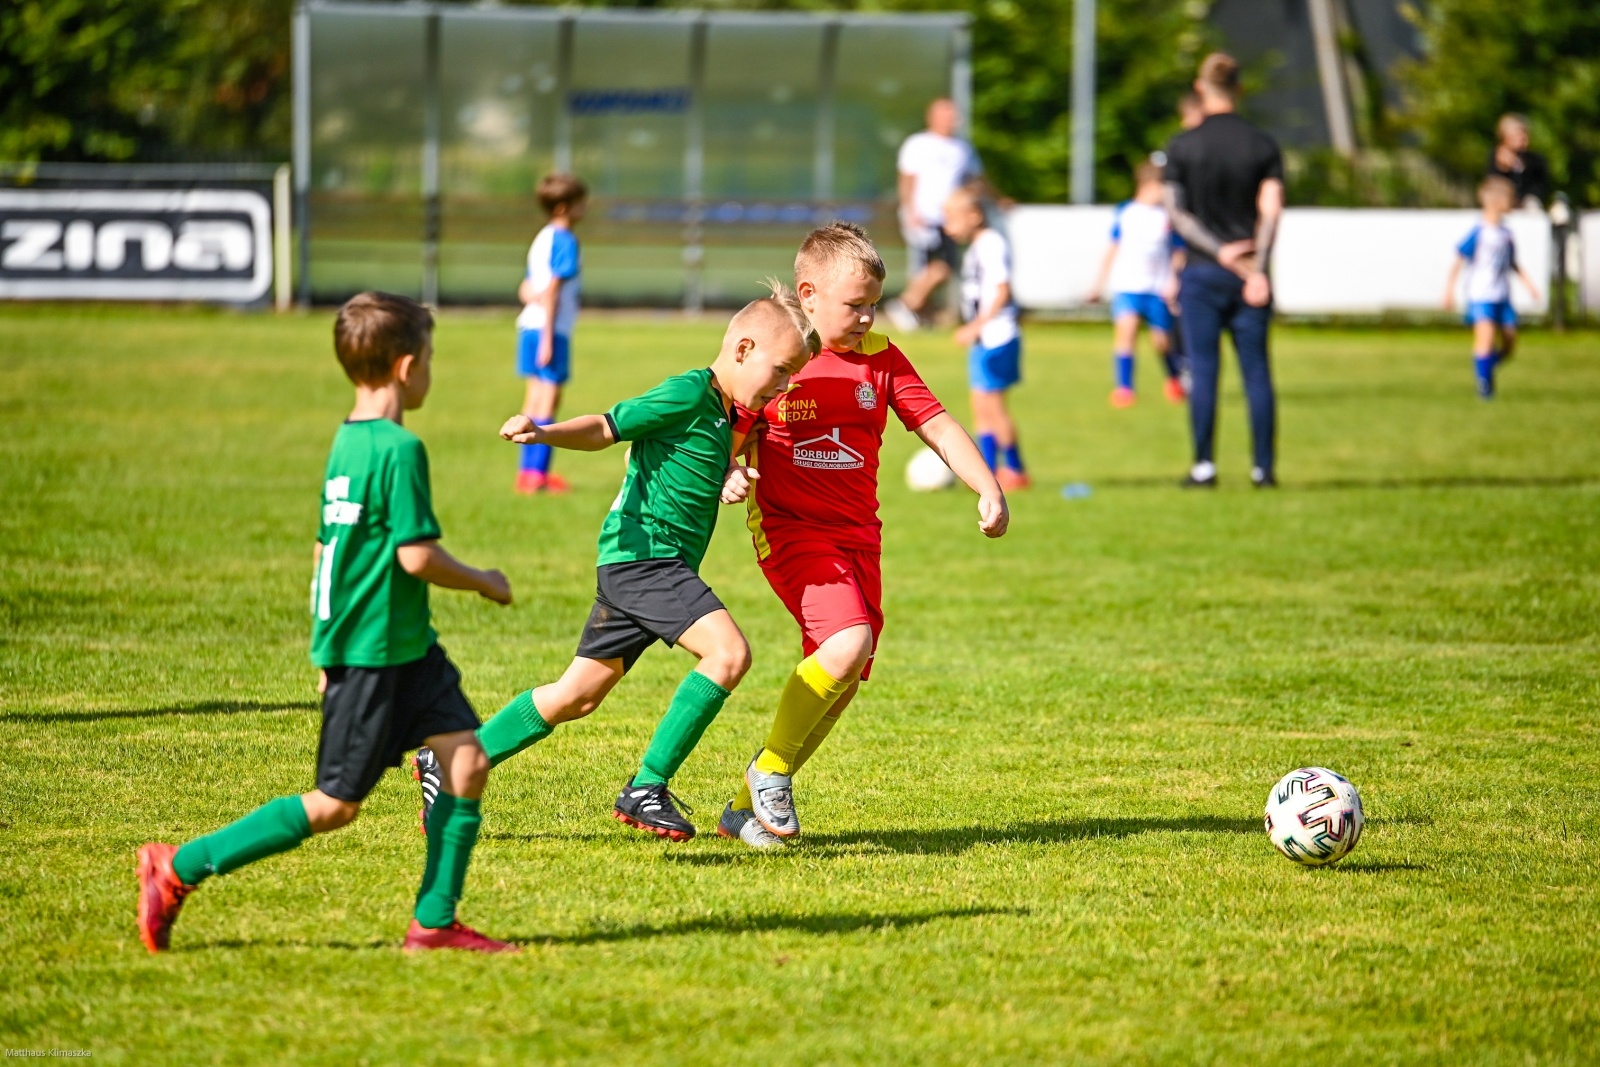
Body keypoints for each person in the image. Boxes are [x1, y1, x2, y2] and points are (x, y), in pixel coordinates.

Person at [137, 292, 518, 954]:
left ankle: (434, 922)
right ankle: (177, 867)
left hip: (407, 648)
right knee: (334, 806)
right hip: (372, 656)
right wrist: (485, 580)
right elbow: (415, 555)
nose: (431, 371)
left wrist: (320, 647)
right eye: (429, 359)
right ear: (406, 367)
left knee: (469, 760)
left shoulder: (346, 439)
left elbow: (325, 553)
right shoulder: (399, 449)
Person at [415, 282, 818, 843]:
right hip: (645, 559)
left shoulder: (732, 414)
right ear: (743, 349)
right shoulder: (687, 393)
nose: (785, 385)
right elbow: (608, 427)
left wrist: (729, 472)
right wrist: (544, 433)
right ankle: (646, 787)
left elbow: (707, 452)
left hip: (643, 565)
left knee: (576, 695)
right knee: (729, 654)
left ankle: (452, 760)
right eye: (781, 370)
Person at [716, 222, 1009, 849]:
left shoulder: (881, 357)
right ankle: (770, 772)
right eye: (855, 304)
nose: (867, 315)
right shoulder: (783, 354)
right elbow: (728, 429)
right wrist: (731, 471)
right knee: (846, 645)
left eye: (874, 302)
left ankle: (744, 809)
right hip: (791, 530)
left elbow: (938, 423)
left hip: (859, 538)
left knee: (840, 681)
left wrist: (988, 485)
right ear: (810, 294)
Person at [1162, 52, 1285, 489]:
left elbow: (1178, 216)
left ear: (1201, 87)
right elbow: (1271, 212)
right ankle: (1263, 468)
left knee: (1204, 369)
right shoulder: (1263, 145)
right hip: (1252, 275)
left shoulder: (1182, 146)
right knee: (1257, 372)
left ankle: (1204, 466)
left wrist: (1220, 251)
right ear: (1240, 87)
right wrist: (1257, 269)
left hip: (1202, 273)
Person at [943, 185, 1029, 488]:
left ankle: (1017, 470)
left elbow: (1002, 290)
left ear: (975, 215)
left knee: (994, 407)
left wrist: (976, 326)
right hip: (984, 340)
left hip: (997, 337)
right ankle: (988, 471)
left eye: (953, 218)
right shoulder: (978, 247)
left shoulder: (992, 243)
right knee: (980, 407)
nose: (948, 226)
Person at [1087, 160, 1187, 408]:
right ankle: (1125, 388)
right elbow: (1113, 247)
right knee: (1126, 333)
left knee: (1161, 341)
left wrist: (1174, 279)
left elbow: (1178, 251)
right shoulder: (1126, 212)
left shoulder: (1167, 216)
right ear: (1149, 185)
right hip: (1129, 285)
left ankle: (1174, 378)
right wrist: (1098, 284)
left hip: (1158, 286)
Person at [885, 98, 986, 332]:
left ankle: (917, 311)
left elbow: (976, 179)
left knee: (941, 268)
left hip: (951, 219)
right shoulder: (918, 144)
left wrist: (997, 199)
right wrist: (910, 211)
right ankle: (906, 305)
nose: (953, 120)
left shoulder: (962, 147)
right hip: (925, 217)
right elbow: (907, 180)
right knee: (935, 267)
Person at [515, 174, 587, 495]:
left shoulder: (541, 237)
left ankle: (526, 473)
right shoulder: (565, 239)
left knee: (533, 396)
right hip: (550, 330)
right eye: (580, 201)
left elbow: (527, 287)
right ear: (563, 207)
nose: (586, 206)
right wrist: (548, 337)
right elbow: (554, 290)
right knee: (549, 397)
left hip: (528, 325)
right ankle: (538, 475)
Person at [1443, 175, 1542, 400]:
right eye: (1510, 197)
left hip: (1502, 294)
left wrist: (1529, 285)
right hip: (1481, 294)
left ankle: (1485, 368)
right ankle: (1484, 386)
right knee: (1485, 339)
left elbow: (1512, 263)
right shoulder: (1479, 232)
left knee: (1509, 341)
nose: (1513, 201)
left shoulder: (1506, 233)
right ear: (1496, 201)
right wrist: (1448, 290)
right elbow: (1458, 259)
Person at [1486, 114, 1550, 212]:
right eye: (1517, 134)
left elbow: (1539, 185)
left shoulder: (1534, 160)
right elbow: (1492, 183)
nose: (1523, 137)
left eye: (1524, 133)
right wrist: (1503, 168)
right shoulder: (1495, 157)